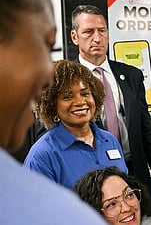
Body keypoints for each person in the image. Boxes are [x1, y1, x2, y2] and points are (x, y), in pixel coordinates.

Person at [0, 0, 151, 225]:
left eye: (85, 94)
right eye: (43, 43)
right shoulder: (41, 159)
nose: (42, 69)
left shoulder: (109, 140)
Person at [71, 4, 151, 203]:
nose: (97, 38)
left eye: (102, 31)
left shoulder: (131, 75)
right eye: (88, 32)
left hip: (132, 168)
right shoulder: (67, 79)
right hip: (90, 173)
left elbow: (144, 125)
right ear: (75, 37)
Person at [23, 60, 128, 189]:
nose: (80, 102)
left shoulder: (110, 140)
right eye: (67, 97)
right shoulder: (42, 155)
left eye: (85, 94)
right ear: (52, 105)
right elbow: (36, 206)